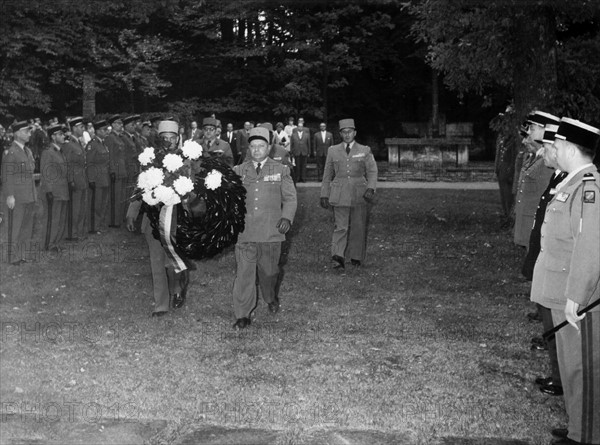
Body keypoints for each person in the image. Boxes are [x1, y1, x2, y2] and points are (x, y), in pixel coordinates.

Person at [530, 117, 600, 445]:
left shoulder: (588, 188)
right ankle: (578, 426)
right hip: (563, 293)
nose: (552, 150)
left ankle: (586, 435)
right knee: (570, 366)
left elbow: (591, 246)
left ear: (570, 147)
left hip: (577, 298)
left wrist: (577, 295)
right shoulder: (573, 184)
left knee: (582, 370)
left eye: (555, 145)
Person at [231, 126, 297, 329]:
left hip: (271, 231)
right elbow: (229, 200)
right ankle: (242, 314)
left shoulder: (281, 170)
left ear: (269, 148)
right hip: (246, 232)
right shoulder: (238, 171)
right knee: (244, 273)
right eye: (253, 146)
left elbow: (290, 198)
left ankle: (270, 296)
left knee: (269, 272)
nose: (257, 150)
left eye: (261, 146)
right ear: (248, 148)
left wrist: (286, 217)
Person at [521, 123, 568, 397]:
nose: (547, 152)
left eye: (552, 147)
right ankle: (559, 376)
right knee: (551, 326)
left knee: (559, 329)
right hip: (547, 260)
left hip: (558, 268)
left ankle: (562, 378)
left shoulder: (575, 182)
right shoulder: (560, 178)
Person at [126, 120, 191, 317]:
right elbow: (140, 187)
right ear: (159, 139)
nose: (169, 142)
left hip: (176, 219)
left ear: (178, 139)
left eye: (172, 138)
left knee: (172, 261)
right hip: (153, 219)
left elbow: (193, 191)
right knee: (156, 263)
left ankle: (178, 289)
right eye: (165, 138)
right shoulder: (150, 162)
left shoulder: (186, 161)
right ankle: (161, 304)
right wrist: (132, 212)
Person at [320, 118, 377, 269]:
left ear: (355, 133)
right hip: (339, 192)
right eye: (344, 132)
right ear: (340, 134)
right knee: (341, 226)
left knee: (358, 225)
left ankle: (356, 256)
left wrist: (370, 188)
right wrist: (324, 194)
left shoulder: (365, 150)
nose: (347, 135)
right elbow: (327, 174)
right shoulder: (332, 150)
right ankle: (337, 256)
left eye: (350, 132)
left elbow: (372, 171)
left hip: (360, 192)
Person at [513, 111, 559, 248]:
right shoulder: (538, 157)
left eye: (533, 129)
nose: (529, 133)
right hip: (529, 224)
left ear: (546, 130)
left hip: (538, 227)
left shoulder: (549, 162)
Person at [1, 121, 37, 264]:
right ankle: (11, 257)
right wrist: (10, 195)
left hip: (28, 194)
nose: (29, 134)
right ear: (17, 133)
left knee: (26, 227)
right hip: (17, 196)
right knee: (15, 226)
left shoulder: (27, 151)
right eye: (26, 131)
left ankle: (22, 255)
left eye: (29, 131)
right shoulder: (11, 152)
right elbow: (7, 176)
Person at [39, 124, 69, 251]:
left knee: (60, 219)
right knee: (52, 218)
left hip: (62, 190)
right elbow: (46, 173)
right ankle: (48, 244)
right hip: (54, 191)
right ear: (53, 136)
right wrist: (49, 191)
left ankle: (56, 243)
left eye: (63, 134)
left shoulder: (60, 151)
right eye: (60, 134)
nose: (63, 136)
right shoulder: (48, 152)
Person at [62, 116, 89, 240]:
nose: (83, 129)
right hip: (75, 180)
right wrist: (70, 180)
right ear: (73, 128)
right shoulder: (68, 144)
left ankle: (79, 232)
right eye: (80, 127)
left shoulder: (78, 142)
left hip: (82, 179)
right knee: (75, 208)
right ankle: (71, 233)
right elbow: (67, 164)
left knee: (81, 207)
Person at [85, 120, 111, 232]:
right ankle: (93, 226)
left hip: (104, 178)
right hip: (96, 178)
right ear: (97, 131)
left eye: (106, 129)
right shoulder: (92, 145)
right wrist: (91, 179)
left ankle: (100, 225)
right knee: (96, 204)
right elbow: (89, 163)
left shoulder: (103, 143)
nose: (106, 132)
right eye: (104, 130)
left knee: (103, 203)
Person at [105, 114, 127, 227]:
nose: (121, 125)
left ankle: (119, 219)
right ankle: (113, 221)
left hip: (122, 170)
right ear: (113, 125)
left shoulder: (119, 137)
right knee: (115, 197)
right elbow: (111, 156)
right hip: (116, 171)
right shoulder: (110, 138)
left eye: (121, 123)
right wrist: (112, 171)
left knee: (121, 197)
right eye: (118, 123)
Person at [290, 117, 311, 182]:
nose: (300, 128)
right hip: (296, 152)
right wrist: (291, 152)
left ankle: (303, 178)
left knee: (304, 166)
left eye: (301, 127)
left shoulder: (307, 135)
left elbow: (309, 144)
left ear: (303, 128)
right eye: (299, 127)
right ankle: (298, 178)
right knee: (297, 166)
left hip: (304, 152)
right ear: (297, 128)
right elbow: (292, 144)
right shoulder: (293, 135)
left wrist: (309, 152)